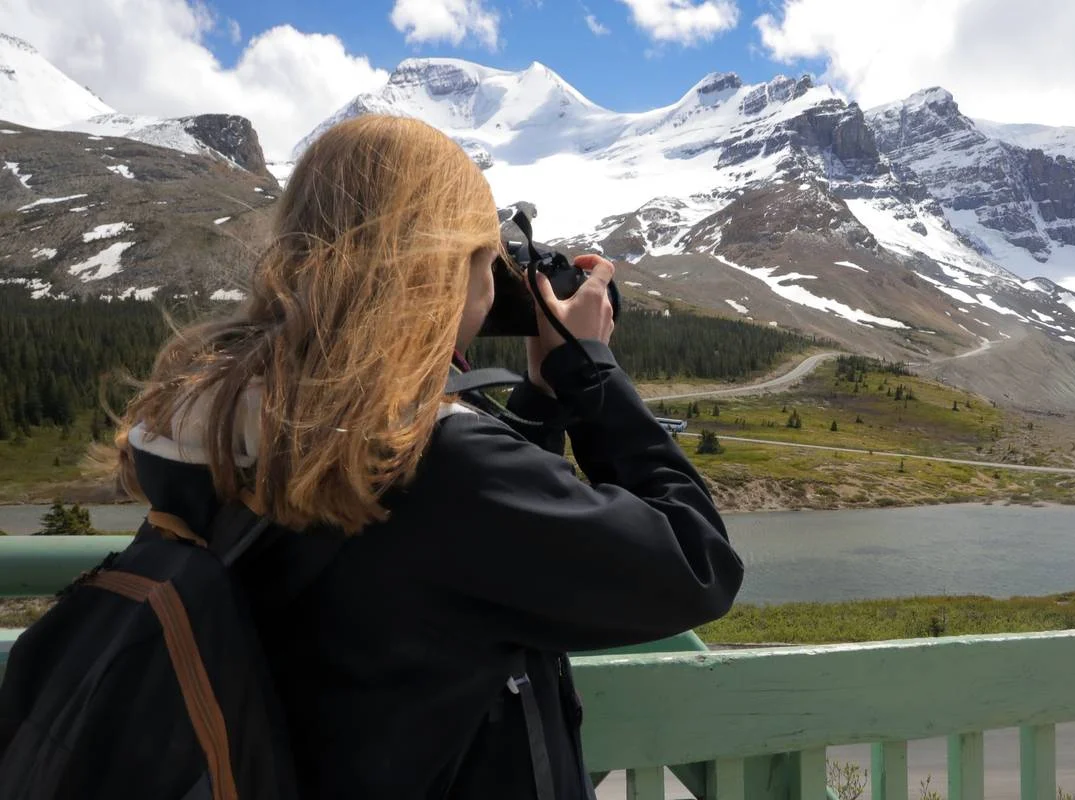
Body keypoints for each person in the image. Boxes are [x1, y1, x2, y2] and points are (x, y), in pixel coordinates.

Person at [111, 115, 744, 799]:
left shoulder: (199, 430)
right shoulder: (435, 464)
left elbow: (464, 553)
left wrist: (538, 402)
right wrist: (588, 371)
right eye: (488, 262)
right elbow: (695, 565)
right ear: (447, 267)